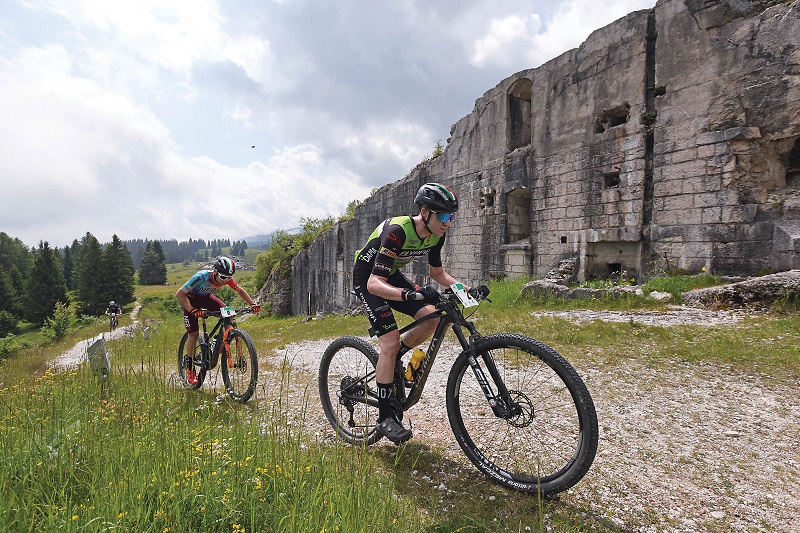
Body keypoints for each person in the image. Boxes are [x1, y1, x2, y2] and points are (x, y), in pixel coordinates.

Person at [353, 182, 467, 444]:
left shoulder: (436, 234)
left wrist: (465, 289)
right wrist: (409, 294)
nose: (448, 223)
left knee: (432, 319)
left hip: (389, 275)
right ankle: (384, 417)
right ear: (425, 212)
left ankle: (394, 359)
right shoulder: (397, 231)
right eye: (444, 216)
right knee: (389, 343)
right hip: (368, 278)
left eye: (452, 217)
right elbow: (374, 284)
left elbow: (437, 274)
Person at [175, 256, 261, 384]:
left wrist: (252, 304)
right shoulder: (201, 277)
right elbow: (179, 294)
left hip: (206, 298)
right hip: (190, 301)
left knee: (228, 313)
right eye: (223, 277)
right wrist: (192, 310)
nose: (225, 280)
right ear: (215, 272)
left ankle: (222, 341)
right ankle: (190, 368)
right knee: (193, 334)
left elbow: (239, 290)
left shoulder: (226, 278)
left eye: (228, 277)